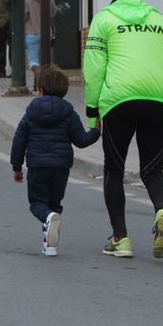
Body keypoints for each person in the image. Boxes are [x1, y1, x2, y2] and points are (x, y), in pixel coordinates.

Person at [83, 0, 163, 260]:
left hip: (118, 101)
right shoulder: (160, 20)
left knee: (114, 170)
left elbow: (94, 69)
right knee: (152, 170)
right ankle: (162, 212)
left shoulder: (103, 20)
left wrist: (93, 113)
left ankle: (121, 239)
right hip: (157, 99)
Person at [11, 66, 101, 257]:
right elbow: (81, 141)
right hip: (61, 168)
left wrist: (17, 167)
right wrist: (96, 131)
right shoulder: (69, 113)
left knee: (37, 204)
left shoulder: (30, 114)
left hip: (37, 166)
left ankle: (48, 221)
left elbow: (19, 141)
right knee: (54, 204)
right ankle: (49, 245)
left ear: (40, 90)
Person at [25, 0, 45, 75]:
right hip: (46, 33)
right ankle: (39, 83)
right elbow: (54, 13)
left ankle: (37, 76)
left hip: (31, 33)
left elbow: (24, 16)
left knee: (33, 60)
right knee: (44, 59)